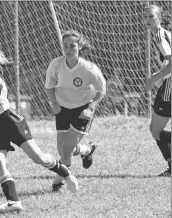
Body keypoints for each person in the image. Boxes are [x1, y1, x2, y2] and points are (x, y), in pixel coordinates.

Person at [0, 34, 79, 214]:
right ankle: (13, 202)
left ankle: (66, 175)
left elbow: (0, 84)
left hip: (6, 118)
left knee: (38, 158)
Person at [44, 30, 106, 191]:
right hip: (62, 109)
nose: (68, 49)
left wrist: (91, 108)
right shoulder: (56, 64)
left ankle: (58, 183)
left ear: (80, 47)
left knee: (66, 150)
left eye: (72, 46)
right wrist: (54, 103)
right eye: (65, 46)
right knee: (63, 149)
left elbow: (102, 90)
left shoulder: (88, 68)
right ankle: (87, 149)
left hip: (82, 110)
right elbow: (49, 87)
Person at [144, 5, 171, 177]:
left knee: (155, 131)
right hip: (167, 84)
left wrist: (154, 78)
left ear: (159, 18)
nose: (147, 19)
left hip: (170, 87)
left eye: (151, 16)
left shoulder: (161, 37)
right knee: (154, 128)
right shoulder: (163, 34)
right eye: (145, 16)